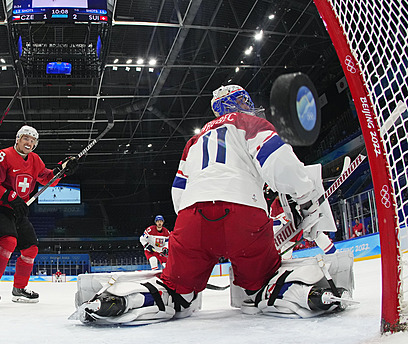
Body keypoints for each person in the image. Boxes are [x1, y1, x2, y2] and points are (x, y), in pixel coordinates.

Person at [72, 85, 352, 325]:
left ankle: (119, 302)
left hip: (193, 219)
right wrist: (305, 197)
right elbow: (279, 163)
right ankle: (312, 294)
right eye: (244, 101)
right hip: (244, 217)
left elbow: (178, 192)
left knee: (176, 292)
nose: (248, 106)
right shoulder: (249, 124)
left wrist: (189, 227)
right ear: (235, 104)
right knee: (259, 287)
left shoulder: (195, 141)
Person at [0, 125, 78, 304]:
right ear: (18, 139)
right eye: (26, 138)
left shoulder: (35, 160)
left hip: (18, 210)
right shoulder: (4, 155)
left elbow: (46, 178)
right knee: (8, 242)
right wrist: (12, 197)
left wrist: (62, 170)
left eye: (33, 140)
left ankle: (19, 289)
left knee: (31, 249)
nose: (29, 142)